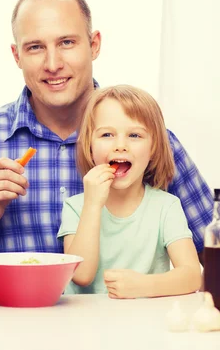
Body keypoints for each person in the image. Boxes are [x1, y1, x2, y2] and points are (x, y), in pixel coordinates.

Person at [0, 0, 213, 269]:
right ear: (17, 55)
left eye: (67, 43)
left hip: (127, 312)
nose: (53, 63)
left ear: (94, 45)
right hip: (16, 314)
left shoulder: (148, 142)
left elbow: (211, 249)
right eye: (35, 47)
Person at [57, 85, 201, 298]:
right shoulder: (76, 207)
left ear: (153, 148)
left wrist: (144, 286)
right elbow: (81, 275)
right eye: (107, 134)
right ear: (90, 146)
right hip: (84, 324)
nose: (120, 145)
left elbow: (192, 276)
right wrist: (92, 205)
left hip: (143, 323)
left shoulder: (166, 207)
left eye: (134, 135)